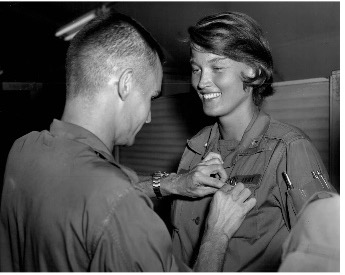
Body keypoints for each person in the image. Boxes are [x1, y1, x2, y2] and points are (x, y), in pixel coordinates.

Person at [0, 12, 256, 272]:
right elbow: (112, 197)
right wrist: (217, 233)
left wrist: (174, 183)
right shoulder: (122, 205)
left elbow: (90, 189)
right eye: (150, 98)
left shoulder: (23, 149)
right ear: (126, 84)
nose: (147, 117)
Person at [136, 11, 337, 271]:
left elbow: (328, 253)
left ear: (252, 71)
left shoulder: (289, 148)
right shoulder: (195, 148)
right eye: (196, 69)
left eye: (217, 68)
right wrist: (175, 183)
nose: (201, 82)